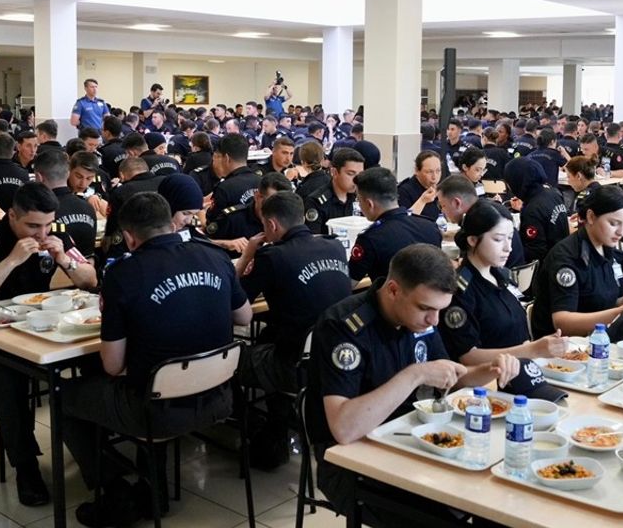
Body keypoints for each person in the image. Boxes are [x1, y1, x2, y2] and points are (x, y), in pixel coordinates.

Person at [57, 191, 249, 525]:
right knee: (150, 379)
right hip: (221, 398)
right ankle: (150, 483)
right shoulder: (214, 258)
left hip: (158, 413)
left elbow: (113, 366)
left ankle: (116, 489)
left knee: (68, 398)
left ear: (129, 237)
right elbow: (244, 318)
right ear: (173, 222)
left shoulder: (123, 276)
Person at [306, 244, 515, 525]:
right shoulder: (344, 326)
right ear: (393, 290)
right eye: (426, 308)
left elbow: (451, 377)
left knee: (497, 501)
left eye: (440, 310)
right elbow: (344, 429)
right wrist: (415, 374)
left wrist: (487, 370)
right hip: (349, 462)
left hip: (410, 439)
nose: (434, 320)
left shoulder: (421, 317)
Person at [0, 183, 99, 507]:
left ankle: (98, 457)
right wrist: (11, 261)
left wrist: (64, 257)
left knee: (94, 363)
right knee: (8, 380)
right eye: (33, 225)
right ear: (12, 215)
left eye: (47, 224)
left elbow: (90, 280)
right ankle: (26, 466)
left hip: (43, 327)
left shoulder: (57, 232)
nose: (42, 231)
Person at [235, 191, 351, 468]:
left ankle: (262, 434)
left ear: (272, 225)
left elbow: (237, 305)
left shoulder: (272, 256)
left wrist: (249, 254)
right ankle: (281, 422)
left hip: (295, 363)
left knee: (227, 362)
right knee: (269, 339)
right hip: (335, 359)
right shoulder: (334, 246)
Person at [532, 186, 623, 338]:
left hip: (598, 337)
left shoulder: (609, 249)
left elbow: (621, 298)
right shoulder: (567, 258)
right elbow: (562, 322)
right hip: (561, 346)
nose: (622, 232)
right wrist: (616, 314)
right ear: (591, 217)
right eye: (614, 223)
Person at [440, 200, 569, 362]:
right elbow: (466, 356)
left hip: (524, 368)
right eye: (498, 239)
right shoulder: (460, 290)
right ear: (472, 240)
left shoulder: (504, 276)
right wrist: (530, 350)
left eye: (510, 238)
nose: (509, 247)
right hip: (490, 379)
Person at [348, 167, 442, 285]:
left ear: (369, 204)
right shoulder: (431, 227)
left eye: (359, 200)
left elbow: (349, 283)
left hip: (391, 301)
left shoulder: (370, 238)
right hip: (429, 300)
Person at [31, 149, 97, 260]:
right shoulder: (89, 208)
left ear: (38, 177)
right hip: (84, 269)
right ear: (68, 173)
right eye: (79, 176)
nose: (83, 183)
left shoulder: (40, 211)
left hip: (54, 270)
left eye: (89, 178)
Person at [503, 157, 570, 263]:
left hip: (546, 268)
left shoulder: (532, 210)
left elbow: (535, 251)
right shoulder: (553, 192)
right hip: (563, 256)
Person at [303, 147, 363, 234]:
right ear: (334, 172)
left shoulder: (360, 198)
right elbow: (313, 239)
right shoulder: (316, 202)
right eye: (350, 174)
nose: (356, 179)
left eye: (360, 175)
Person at [207, 133, 260, 218]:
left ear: (226, 158)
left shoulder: (224, 189)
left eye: (218, 156)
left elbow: (213, 221)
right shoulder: (261, 182)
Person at [397, 150, 443, 222]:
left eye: (438, 171)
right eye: (429, 172)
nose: (434, 177)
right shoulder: (404, 191)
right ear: (417, 171)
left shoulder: (441, 189)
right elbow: (404, 222)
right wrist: (422, 201)